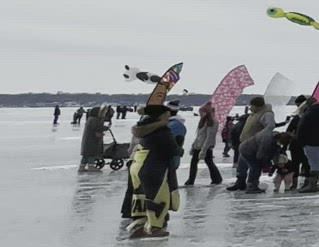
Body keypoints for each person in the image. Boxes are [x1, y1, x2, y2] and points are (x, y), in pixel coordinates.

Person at [120, 105, 182, 238]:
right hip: (153, 166)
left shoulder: (144, 128)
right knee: (158, 197)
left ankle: (139, 224)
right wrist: (179, 147)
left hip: (137, 164)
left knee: (140, 196)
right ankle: (154, 227)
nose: (168, 117)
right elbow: (173, 149)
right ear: (161, 116)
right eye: (167, 115)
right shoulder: (162, 131)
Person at [230, 97, 275, 193]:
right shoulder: (254, 114)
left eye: (252, 106)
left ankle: (252, 185)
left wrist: (259, 136)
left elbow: (270, 126)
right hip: (245, 144)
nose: (250, 108)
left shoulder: (266, 114)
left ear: (257, 106)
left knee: (254, 166)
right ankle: (240, 182)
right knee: (241, 166)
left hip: (254, 145)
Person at [184, 102, 222, 186]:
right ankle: (216, 178)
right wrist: (193, 146)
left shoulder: (212, 121)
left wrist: (203, 150)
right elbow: (199, 135)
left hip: (205, 146)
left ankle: (192, 180)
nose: (200, 114)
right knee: (206, 162)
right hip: (198, 145)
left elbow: (210, 137)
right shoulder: (203, 120)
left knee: (205, 162)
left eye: (201, 112)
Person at [80, 105, 109, 171]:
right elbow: (96, 127)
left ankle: (82, 167)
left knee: (86, 155)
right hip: (92, 140)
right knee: (91, 154)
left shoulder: (91, 119)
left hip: (89, 139)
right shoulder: (94, 119)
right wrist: (105, 128)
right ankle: (91, 167)